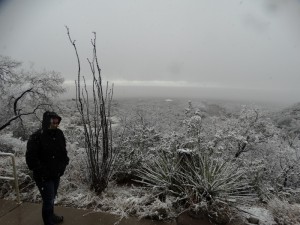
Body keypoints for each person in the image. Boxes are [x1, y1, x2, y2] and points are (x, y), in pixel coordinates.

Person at [26, 111, 69, 225]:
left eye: (57, 121)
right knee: (48, 200)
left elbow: (63, 151)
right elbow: (31, 159)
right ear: (47, 121)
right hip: (43, 177)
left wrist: (65, 163)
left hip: (56, 174)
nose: (56, 123)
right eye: (53, 120)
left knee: (52, 197)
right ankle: (49, 222)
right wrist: (42, 172)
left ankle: (51, 216)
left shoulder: (59, 134)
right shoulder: (36, 137)